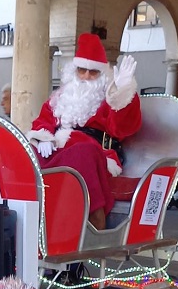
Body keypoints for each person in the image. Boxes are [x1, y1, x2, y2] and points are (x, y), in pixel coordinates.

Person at [28, 33, 142, 230]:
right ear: (74, 71)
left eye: (93, 73)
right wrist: (42, 138)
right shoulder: (60, 98)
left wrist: (122, 93)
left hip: (97, 153)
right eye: (82, 71)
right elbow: (43, 121)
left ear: (102, 74)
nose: (86, 77)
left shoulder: (108, 98)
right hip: (58, 149)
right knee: (29, 153)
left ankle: (94, 218)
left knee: (82, 153)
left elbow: (123, 127)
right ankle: (37, 215)